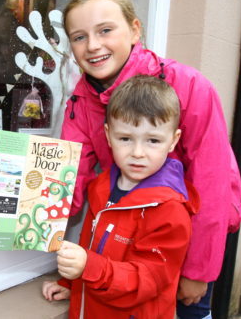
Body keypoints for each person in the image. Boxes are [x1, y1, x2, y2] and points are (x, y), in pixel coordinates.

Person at [51, 0, 241, 318]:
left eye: (105, 30)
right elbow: (67, 183)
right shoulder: (81, 102)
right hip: (121, 245)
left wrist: (197, 271)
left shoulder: (188, 85)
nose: (93, 45)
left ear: (134, 30)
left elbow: (212, 182)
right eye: (79, 37)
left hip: (183, 244)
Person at [42, 75, 200, 318]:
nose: (138, 153)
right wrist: (73, 283)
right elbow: (92, 245)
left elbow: (146, 280)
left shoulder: (170, 211)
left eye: (153, 141)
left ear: (173, 141)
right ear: (108, 135)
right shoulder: (101, 187)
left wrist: (87, 268)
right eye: (125, 138)